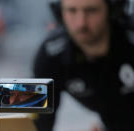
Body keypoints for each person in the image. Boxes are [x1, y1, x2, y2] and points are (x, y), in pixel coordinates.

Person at [33, 0, 134, 131]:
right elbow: (33, 116)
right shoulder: (51, 53)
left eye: (91, 11)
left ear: (112, 10)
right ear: (59, 12)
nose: (81, 23)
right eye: (72, 11)